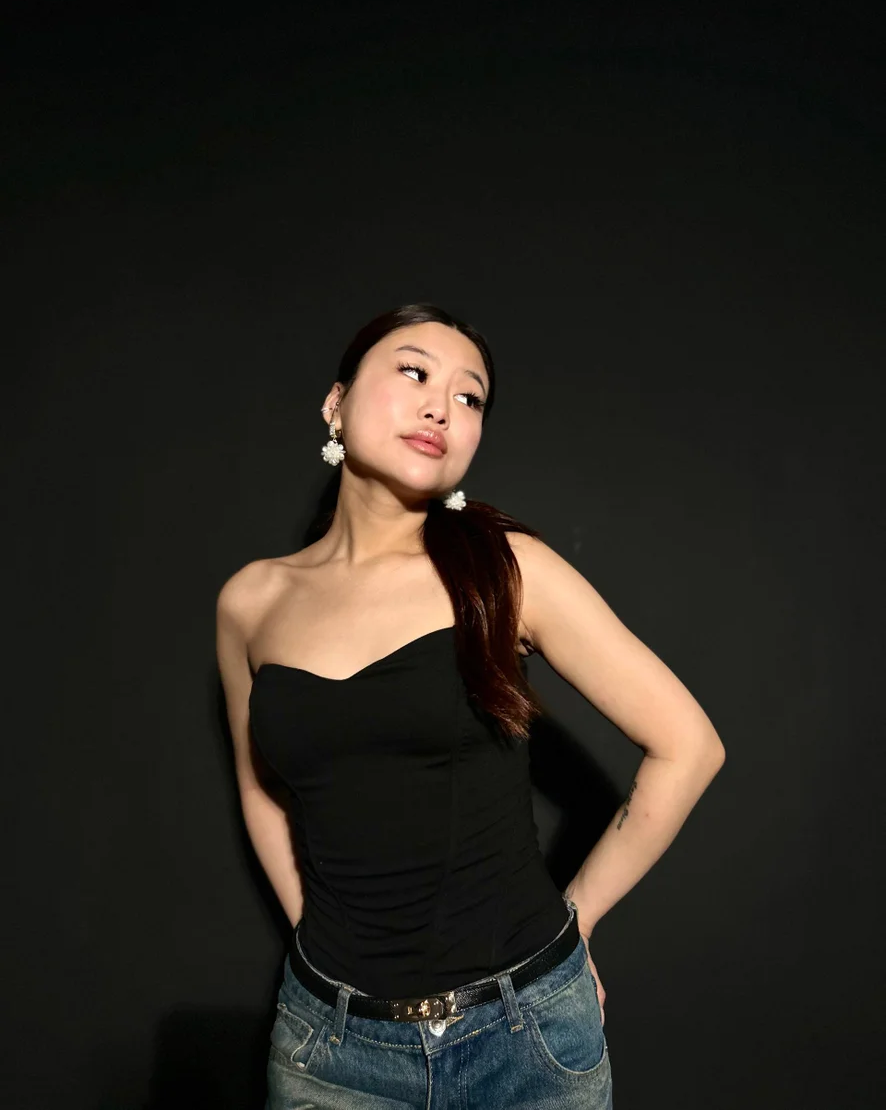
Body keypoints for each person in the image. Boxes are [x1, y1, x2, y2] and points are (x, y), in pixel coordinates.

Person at [216, 302, 726, 1108]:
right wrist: (316, 939)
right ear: (336, 403)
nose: (440, 407)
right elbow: (259, 786)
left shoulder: (507, 569)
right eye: (415, 372)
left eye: (469, 396)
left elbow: (688, 745)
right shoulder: (251, 601)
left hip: (525, 1043)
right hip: (330, 1051)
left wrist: (579, 918)